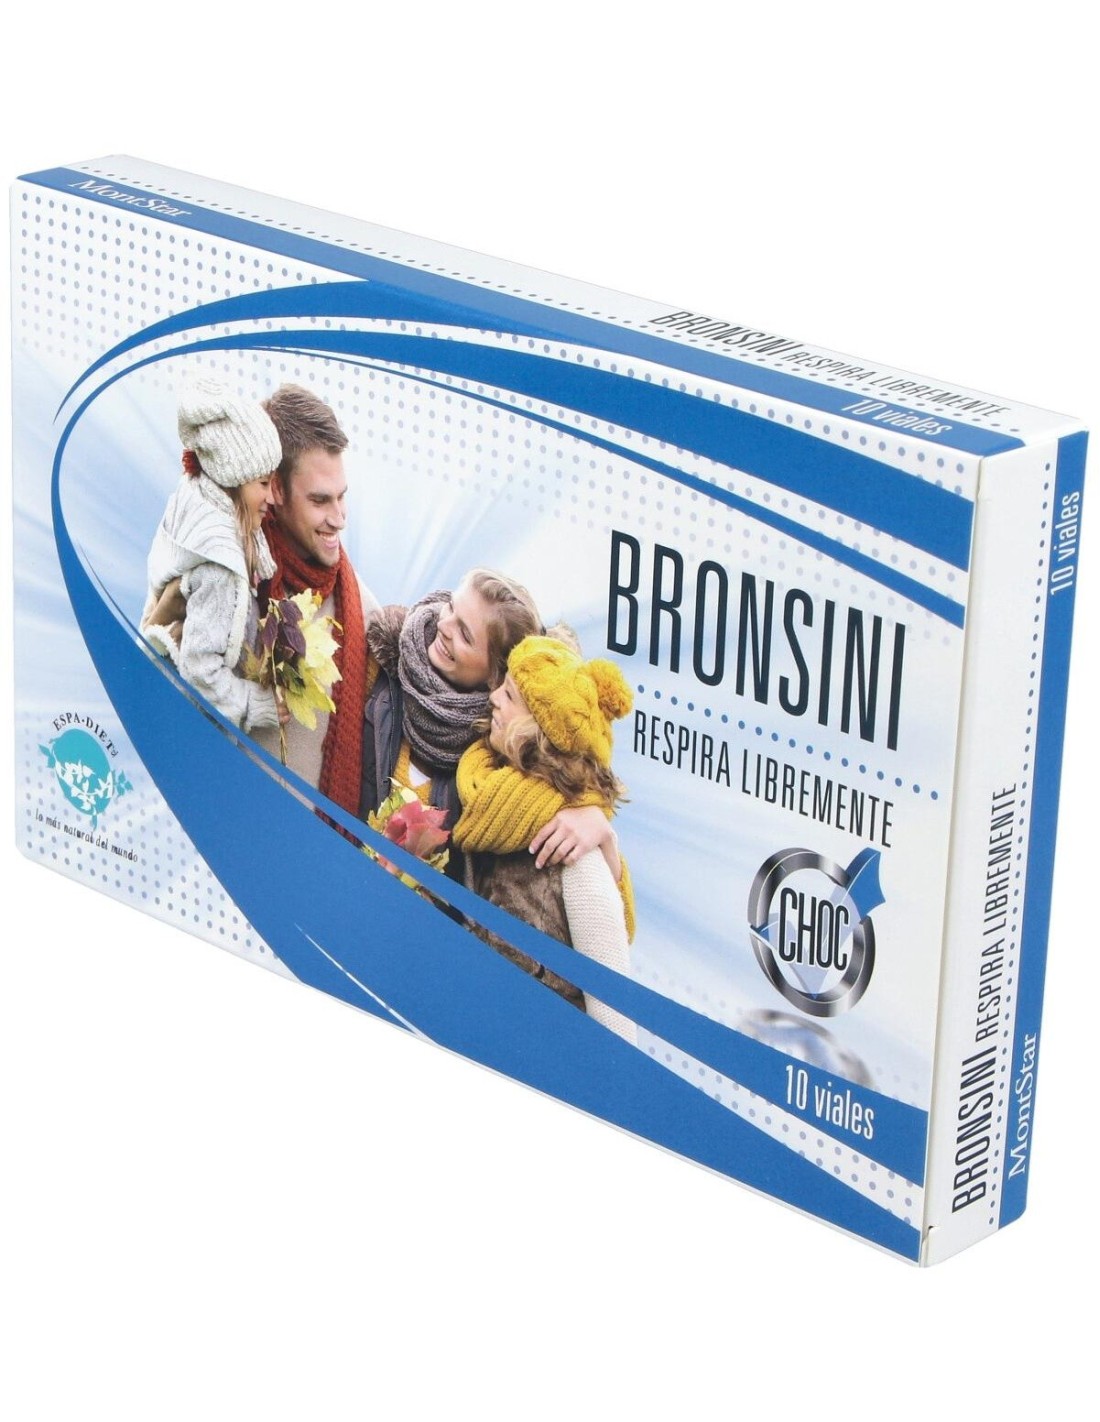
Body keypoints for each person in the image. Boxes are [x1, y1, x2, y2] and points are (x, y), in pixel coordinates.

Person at [359, 573, 623, 883]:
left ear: (496, 674)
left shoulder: (499, 753)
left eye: (465, 635)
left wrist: (596, 820)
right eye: (451, 607)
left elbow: (574, 780)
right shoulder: (381, 663)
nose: (443, 626)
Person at [451, 634, 635, 1040]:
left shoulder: (577, 853)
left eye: (509, 695)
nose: (493, 698)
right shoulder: (485, 803)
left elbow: (617, 1021)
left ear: (536, 729)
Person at [251, 384, 381, 814]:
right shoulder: (228, 581)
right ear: (275, 489)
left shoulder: (364, 614)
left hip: (316, 846)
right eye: (320, 500)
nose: (338, 518)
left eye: (342, 497)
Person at [142, 378, 284, 734]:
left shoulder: (194, 503)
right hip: (191, 729)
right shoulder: (220, 567)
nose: (271, 497)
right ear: (232, 479)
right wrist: (257, 704)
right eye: (263, 483)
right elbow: (200, 672)